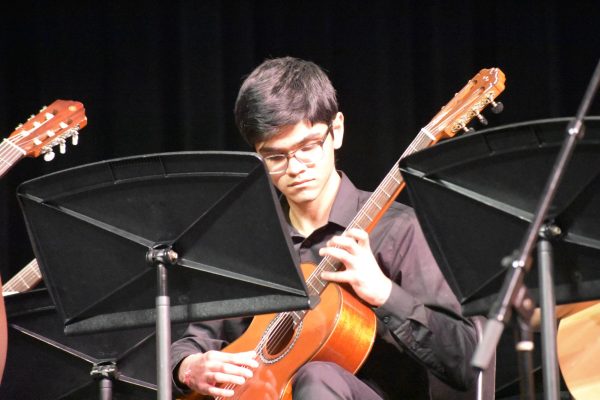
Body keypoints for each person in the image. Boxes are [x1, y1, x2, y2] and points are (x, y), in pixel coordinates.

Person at [171, 56, 478, 399]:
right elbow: (194, 340)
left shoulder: (399, 231)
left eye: (308, 146)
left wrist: (385, 294)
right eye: (276, 157)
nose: (296, 167)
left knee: (318, 377)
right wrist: (187, 367)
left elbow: (466, 360)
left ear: (337, 131)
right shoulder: (254, 248)